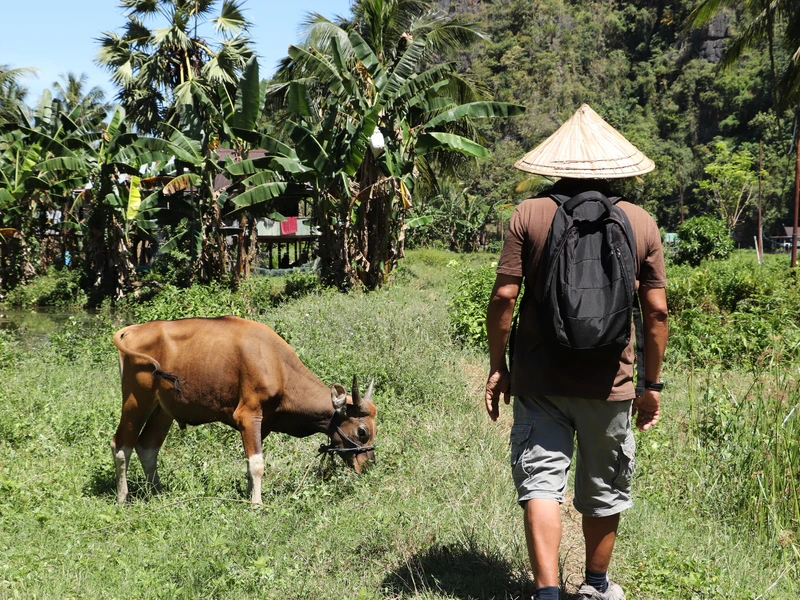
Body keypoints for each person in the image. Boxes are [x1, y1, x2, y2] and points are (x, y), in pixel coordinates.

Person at [484, 104, 669, 600]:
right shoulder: (640, 222)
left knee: (542, 482)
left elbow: (504, 297)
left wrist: (499, 367)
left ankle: (547, 593)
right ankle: (595, 586)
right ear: (615, 168)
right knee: (604, 485)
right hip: (610, 381)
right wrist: (651, 385)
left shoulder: (529, 214)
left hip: (540, 379)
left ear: (556, 164)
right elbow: (656, 313)